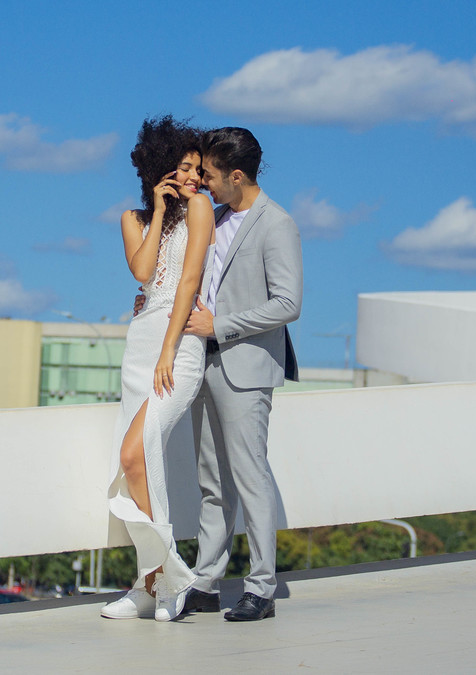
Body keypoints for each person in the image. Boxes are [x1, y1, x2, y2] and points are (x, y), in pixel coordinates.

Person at [180, 127, 303, 622]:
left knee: (251, 478)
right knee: (212, 482)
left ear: (236, 174)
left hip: (246, 368)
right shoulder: (217, 217)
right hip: (203, 362)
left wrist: (221, 325)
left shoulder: (277, 223)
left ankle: (261, 588)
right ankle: (207, 582)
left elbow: (289, 303)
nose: (204, 182)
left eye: (209, 174)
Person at [100, 116, 215, 622]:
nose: (194, 178)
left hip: (178, 347)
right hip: (140, 346)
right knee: (137, 466)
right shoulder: (133, 217)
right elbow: (144, 272)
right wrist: (160, 205)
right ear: (160, 171)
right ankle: (152, 585)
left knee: (134, 453)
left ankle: (166, 582)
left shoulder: (202, 208)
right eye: (184, 169)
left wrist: (170, 349)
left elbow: (188, 283)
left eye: (197, 170)